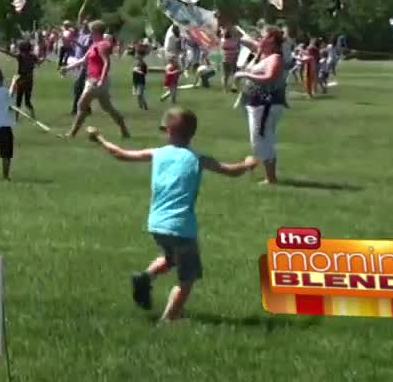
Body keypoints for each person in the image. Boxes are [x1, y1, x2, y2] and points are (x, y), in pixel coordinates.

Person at [88, 108, 257, 322]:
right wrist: (248, 164)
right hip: (181, 228)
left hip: (156, 224)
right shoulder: (198, 159)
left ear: (168, 131)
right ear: (192, 133)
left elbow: (120, 153)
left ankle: (145, 277)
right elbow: (231, 170)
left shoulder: (156, 153)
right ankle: (169, 320)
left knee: (170, 258)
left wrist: (99, 138)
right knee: (187, 279)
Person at [234, 26, 288, 185]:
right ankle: (269, 176)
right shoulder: (264, 54)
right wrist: (228, 27)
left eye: (262, 36)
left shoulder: (275, 58)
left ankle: (271, 178)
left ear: (271, 40)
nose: (259, 38)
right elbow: (244, 39)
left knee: (262, 139)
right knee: (261, 138)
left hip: (266, 104)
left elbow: (270, 77)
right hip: (257, 103)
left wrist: (245, 74)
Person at [63, 20, 131, 140]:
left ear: (96, 31)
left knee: (81, 106)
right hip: (95, 81)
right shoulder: (94, 45)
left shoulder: (102, 45)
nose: (90, 34)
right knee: (108, 108)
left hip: (95, 81)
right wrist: (67, 68)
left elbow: (106, 62)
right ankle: (124, 130)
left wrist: (101, 79)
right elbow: (83, 60)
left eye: (91, 31)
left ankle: (72, 134)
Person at [0, 40, 41, 120]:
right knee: (23, 101)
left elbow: (9, 53)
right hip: (25, 80)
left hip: (24, 81)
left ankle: (25, 116)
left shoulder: (22, 56)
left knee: (21, 101)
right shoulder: (30, 56)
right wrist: (41, 60)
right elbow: (38, 62)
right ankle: (22, 116)